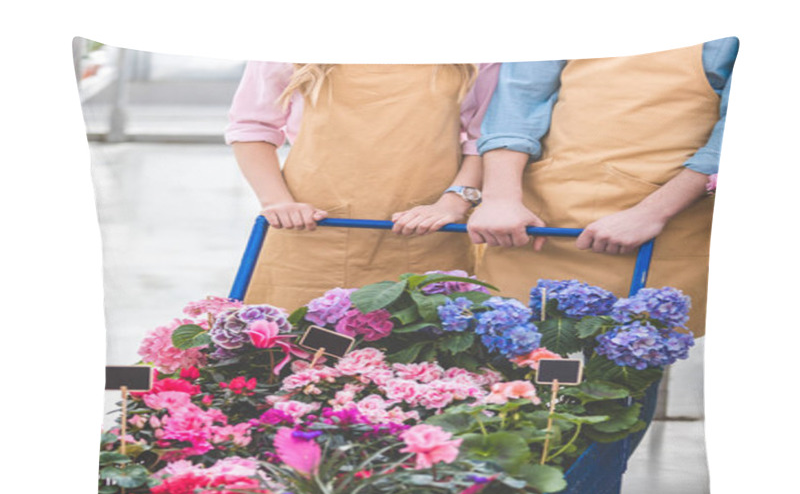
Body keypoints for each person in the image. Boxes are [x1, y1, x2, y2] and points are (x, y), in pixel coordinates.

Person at [467, 38, 738, 337]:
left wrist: (652, 213)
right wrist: (500, 198)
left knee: (627, 368)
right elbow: (517, 101)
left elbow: (736, 134)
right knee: (514, 366)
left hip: (660, 235)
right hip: (536, 230)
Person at [225, 62, 499, 311]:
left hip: (430, 233)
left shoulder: (475, 55)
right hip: (308, 234)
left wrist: (454, 202)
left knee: (424, 355)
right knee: (294, 353)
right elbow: (252, 127)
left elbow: (486, 137)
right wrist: (277, 202)